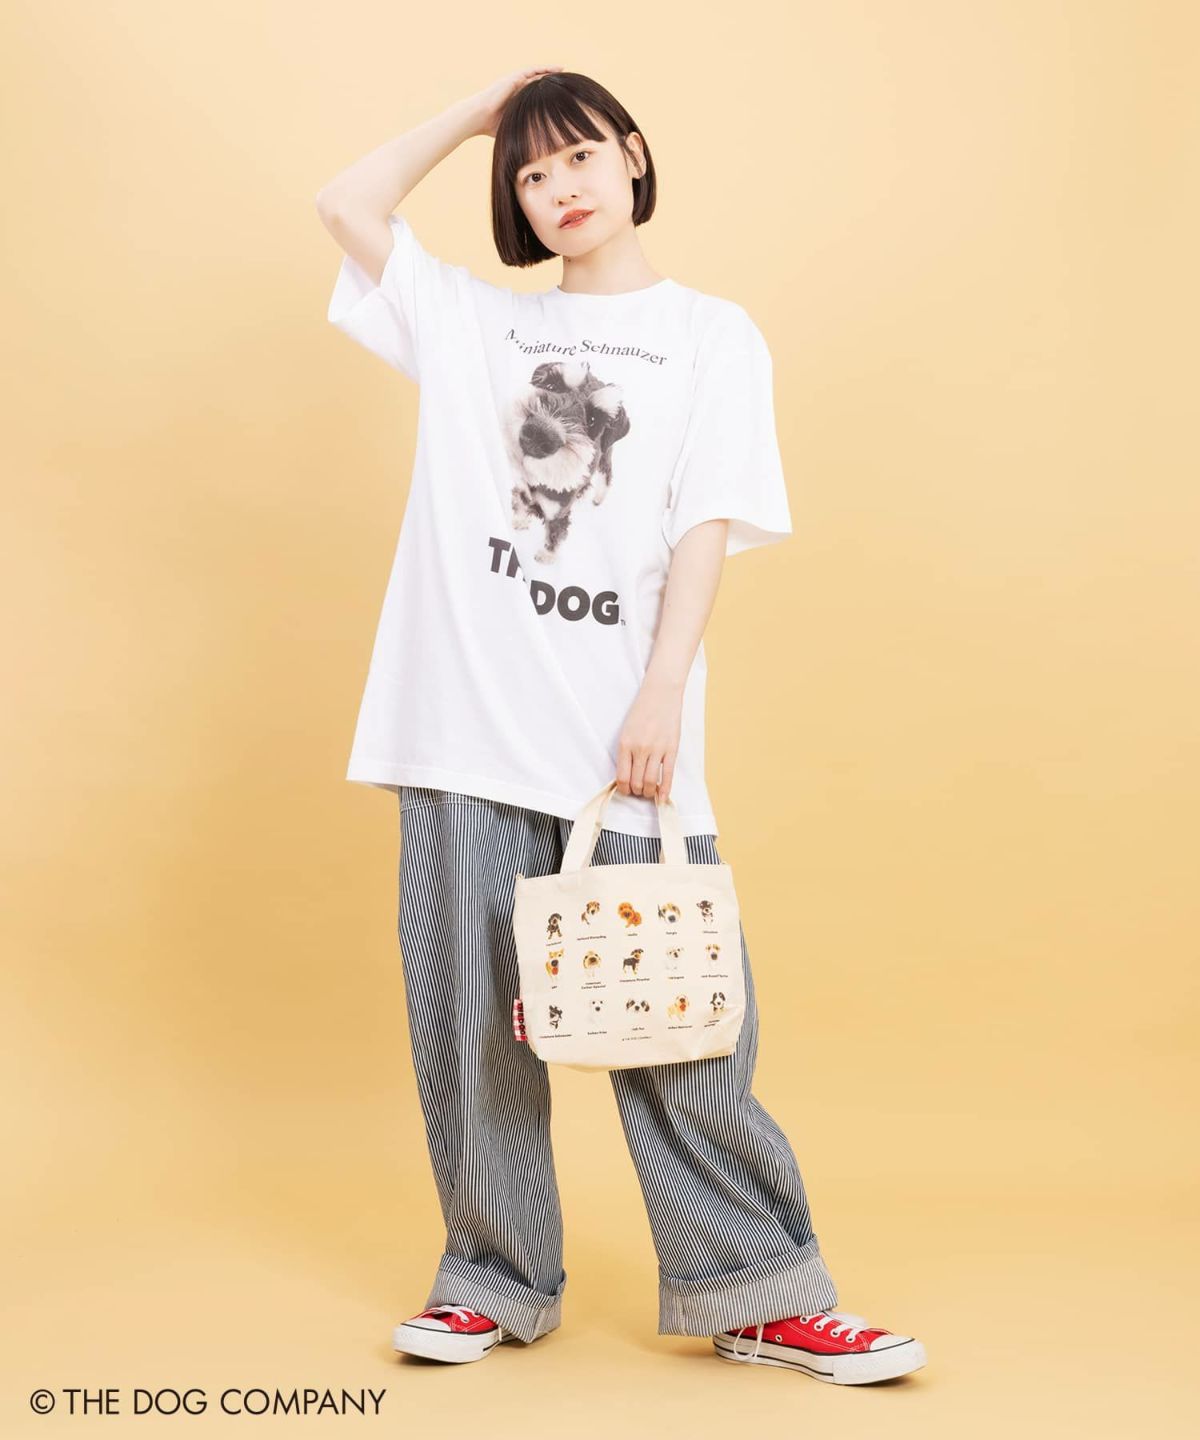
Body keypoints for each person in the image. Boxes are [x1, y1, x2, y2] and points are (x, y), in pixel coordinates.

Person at [316, 68, 926, 1386]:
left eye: (581, 156)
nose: (561, 188)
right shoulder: (473, 322)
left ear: (634, 157)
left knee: (684, 1024)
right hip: (461, 730)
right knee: (472, 1028)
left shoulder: (712, 336)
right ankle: (491, 1281)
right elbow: (347, 203)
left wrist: (661, 690)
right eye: (532, 173)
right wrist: (480, 113)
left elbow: (703, 520)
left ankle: (758, 1293)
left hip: (619, 745)